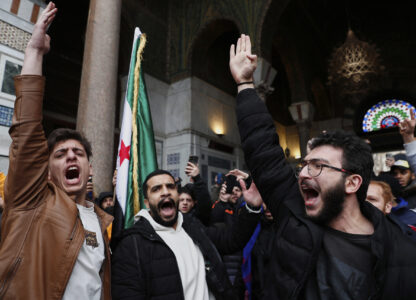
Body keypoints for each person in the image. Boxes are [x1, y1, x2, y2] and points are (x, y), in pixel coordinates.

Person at [229, 33, 416, 299]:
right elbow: (263, 151)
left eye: (318, 166)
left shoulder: (402, 251)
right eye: (305, 165)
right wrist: (245, 84)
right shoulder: (295, 215)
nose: (303, 173)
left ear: (352, 182)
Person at [0, 4, 112, 299]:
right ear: (47, 171)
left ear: (90, 168)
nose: (72, 157)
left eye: (78, 153)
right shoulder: (32, 203)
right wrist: (34, 54)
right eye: (60, 155)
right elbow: (25, 131)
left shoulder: (102, 222)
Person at [111, 169, 263, 300]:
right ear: (146, 202)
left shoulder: (193, 227)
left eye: (170, 186)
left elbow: (232, 240)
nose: (165, 192)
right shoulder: (131, 244)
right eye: (156, 189)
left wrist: (252, 208)